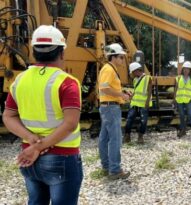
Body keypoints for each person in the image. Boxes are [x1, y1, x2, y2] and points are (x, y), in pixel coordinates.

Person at [2, 25, 83, 204]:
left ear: (33, 52)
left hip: (28, 156)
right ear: (61, 53)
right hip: (61, 158)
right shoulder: (67, 82)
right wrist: (39, 147)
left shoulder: (20, 80)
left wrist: (31, 139)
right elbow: (70, 123)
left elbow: (8, 116)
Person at [98, 43, 131, 180]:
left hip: (107, 107)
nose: (123, 60)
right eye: (121, 57)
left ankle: (107, 166)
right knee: (115, 139)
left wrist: (122, 92)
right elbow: (104, 88)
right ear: (114, 57)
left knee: (104, 138)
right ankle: (115, 170)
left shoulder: (109, 69)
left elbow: (108, 88)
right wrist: (121, 96)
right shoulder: (109, 70)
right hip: (111, 108)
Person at [124, 62, 153, 144]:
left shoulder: (148, 78)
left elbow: (150, 90)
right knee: (129, 119)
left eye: (132, 72)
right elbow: (136, 90)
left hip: (143, 104)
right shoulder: (135, 79)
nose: (132, 74)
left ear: (136, 70)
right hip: (134, 103)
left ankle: (140, 137)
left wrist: (147, 101)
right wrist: (131, 95)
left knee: (143, 121)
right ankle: (127, 136)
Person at [174, 61, 191, 139]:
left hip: (188, 99)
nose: (186, 70)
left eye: (187, 69)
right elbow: (176, 88)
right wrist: (174, 98)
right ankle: (183, 130)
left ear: (190, 70)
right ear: (182, 69)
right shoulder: (178, 78)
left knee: (190, 114)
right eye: (184, 69)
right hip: (179, 99)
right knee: (181, 115)